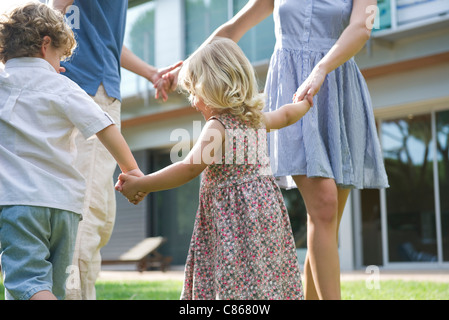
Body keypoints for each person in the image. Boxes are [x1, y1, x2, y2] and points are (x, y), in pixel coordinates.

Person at [158, 0, 389, 300]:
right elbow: (233, 28)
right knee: (324, 205)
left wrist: (321, 69)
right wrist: (188, 65)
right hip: (292, 88)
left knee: (326, 222)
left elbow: (362, 27)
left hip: (336, 85)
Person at [117, 37, 311, 300]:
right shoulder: (256, 119)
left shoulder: (217, 127)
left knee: (235, 281)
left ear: (210, 87)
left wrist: (143, 184)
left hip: (234, 220)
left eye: (194, 93)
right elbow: (287, 114)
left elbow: (188, 168)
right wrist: (306, 102)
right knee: (263, 276)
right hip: (266, 216)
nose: (194, 102)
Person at [0, 2, 142, 300]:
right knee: (55, 286)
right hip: (65, 208)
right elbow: (105, 127)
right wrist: (132, 170)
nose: (61, 65)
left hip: (20, 205)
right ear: (45, 45)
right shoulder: (64, 86)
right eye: (59, 58)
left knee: (27, 283)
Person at [50, 0, 181, 300]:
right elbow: (59, 6)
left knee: (85, 213)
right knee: (86, 212)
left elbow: (103, 38)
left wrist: (150, 73)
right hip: (89, 90)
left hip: (77, 83)